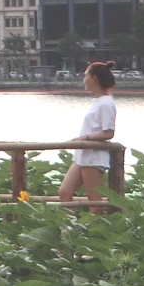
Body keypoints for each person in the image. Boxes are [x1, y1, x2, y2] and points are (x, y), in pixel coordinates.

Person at [59, 61, 118, 205]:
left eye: (86, 75)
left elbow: (108, 133)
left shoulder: (106, 103)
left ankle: (96, 226)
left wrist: (84, 138)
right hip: (83, 155)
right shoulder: (98, 101)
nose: (83, 79)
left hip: (94, 157)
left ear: (94, 78)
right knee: (64, 192)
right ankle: (70, 226)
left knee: (94, 198)